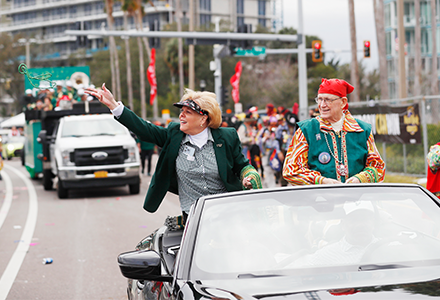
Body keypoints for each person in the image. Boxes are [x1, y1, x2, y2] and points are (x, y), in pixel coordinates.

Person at [85, 84, 262, 221]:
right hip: (193, 218)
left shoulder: (227, 136)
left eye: (188, 112)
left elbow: (242, 165)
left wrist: (248, 177)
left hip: (228, 212)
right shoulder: (174, 134)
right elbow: (144, 129)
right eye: (181, 111)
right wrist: (114, 106)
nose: (181, 116)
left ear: (204, 118)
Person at [283, 78, 385, 185]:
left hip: (357, 198)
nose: (322, 105)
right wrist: (321, 181)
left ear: (343, 102)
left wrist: (360, 179)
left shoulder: (363, 130)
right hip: (318, 199)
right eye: (320, 99)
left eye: (328, 100)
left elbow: (378, 167)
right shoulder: (306, 130)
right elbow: (290, 170)